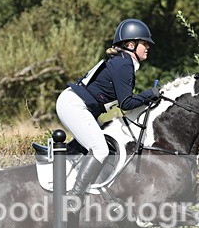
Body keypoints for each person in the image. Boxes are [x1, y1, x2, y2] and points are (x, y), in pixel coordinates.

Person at [56, 18, 161, 200]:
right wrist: (151, 93)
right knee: (100, 149)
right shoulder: (124, 64)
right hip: (74, 105)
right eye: (144, 43)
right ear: (130, 44)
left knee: (89, 147)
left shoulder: (120, 61)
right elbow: (126, 104)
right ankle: (74, 197)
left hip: (76, 104)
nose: (148, 47)